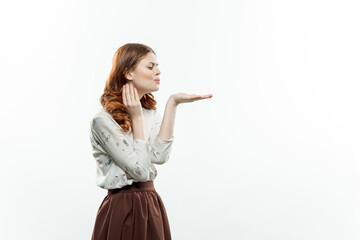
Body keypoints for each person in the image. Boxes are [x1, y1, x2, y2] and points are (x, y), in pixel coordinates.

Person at [90, 43, 213, 240]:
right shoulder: (103, 120)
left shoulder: (149, 114)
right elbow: (139, 171)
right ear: (128, 73)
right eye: (151, 66)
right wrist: (136, 118)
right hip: (121, 208)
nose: (158, 71)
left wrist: (173, 103)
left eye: (157, 66)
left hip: (150, 203)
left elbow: (160, 156)